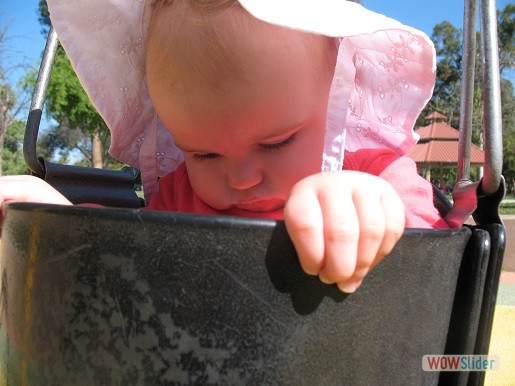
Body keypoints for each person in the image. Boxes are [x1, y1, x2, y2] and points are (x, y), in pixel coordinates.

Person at [0, 0, 449, 293]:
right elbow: (127, 258)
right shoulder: (181, 196)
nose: (241, 177)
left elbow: (434, 253)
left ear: (335, 98)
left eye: (277, 142)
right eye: (203, 153)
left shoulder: (375, 174)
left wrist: (371, 209)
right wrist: (57, 221)